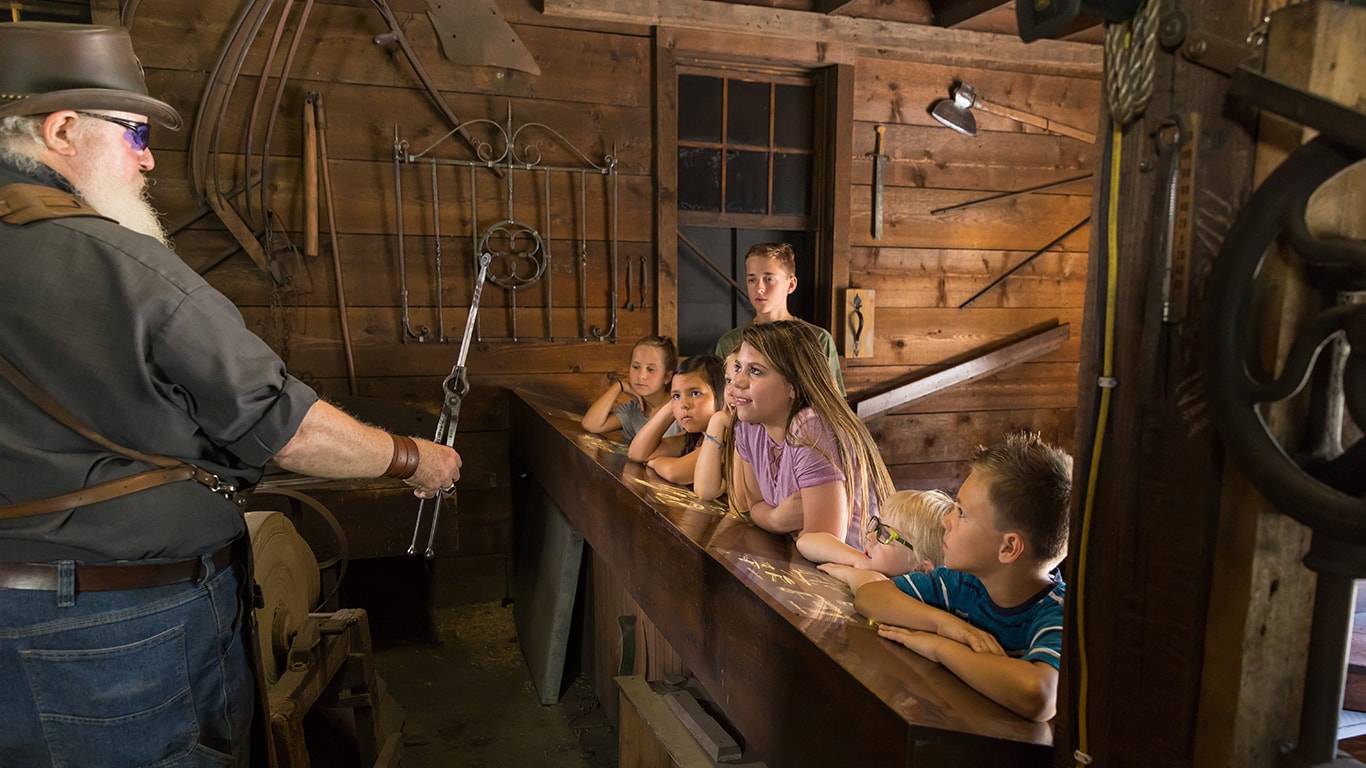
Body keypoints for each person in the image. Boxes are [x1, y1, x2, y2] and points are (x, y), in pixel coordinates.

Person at [0, 23, 461, 767]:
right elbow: (292, 433)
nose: (148, 157)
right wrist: (415, 461)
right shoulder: (124, 265)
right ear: (61, 129)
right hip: (117, 636)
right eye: (136, 131)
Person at [820, 432, 1072, 722]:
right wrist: (945, 624)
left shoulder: (1057, 612)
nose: (946, 520)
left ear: (1008, 547)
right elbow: (871, 596)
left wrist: (941, 648)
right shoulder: (960, 583)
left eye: (961, 512)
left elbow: (1038, 696)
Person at [727, 321, 893, 549]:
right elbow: (752, 505)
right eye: (738, 368)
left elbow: (824, 545)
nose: (737, 381)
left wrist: (771, 517)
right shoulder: (748, 424)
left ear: (793, 386)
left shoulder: (811, 428)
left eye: (755, 371)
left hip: (858, 570)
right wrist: (776, 520)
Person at [714, 242, 845, 395]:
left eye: (768, 279)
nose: (759, 288)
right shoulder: (730, 342)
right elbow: (720, 400)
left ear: (791, 284)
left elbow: (833, 404)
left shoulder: (818, 339)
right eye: (751, 280)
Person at [797, 489, 953, 576]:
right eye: (878, 526)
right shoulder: (867, 563)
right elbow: (805, 542)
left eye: (886, 535)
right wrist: (857, 559)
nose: (870, 536)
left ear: (921, 569)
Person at [627, 354, 724, 485]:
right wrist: (672, 407)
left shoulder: (724, 438)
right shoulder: (696, 436)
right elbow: (637, 453)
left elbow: (675, 472)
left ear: (722, 394)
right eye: (676, 395)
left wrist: (653, 462)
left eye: (695, 393)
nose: (684, 404)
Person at [694, 351, 758, 516]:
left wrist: (741, 429)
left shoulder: (758, 432)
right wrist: (717, 420)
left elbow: (740, 506)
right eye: (728, 381)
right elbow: (705, 491)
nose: (731, 391)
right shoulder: (726, 425)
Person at [581, 334, 678, 441]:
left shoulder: (680, 409)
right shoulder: (633, 410)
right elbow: (590, 424)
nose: (641, 375)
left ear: (667, 377)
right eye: (636, 367)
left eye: (650, 369)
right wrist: (619, 386)